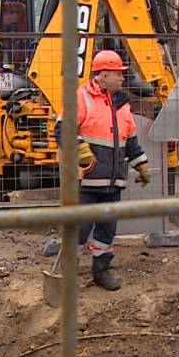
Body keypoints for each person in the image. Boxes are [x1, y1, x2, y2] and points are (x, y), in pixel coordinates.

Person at [53, 49, 150, 291]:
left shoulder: (123, 105)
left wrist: (141, 165)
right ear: (103, 74)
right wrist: (78, 149)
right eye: (118, 74)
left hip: (113, 183)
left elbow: (131, 141)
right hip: (86, 182)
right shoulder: (80, 97)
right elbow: (62, 130)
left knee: (106, 230)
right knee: (79, 230)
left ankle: (101, 272)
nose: (122, 78)